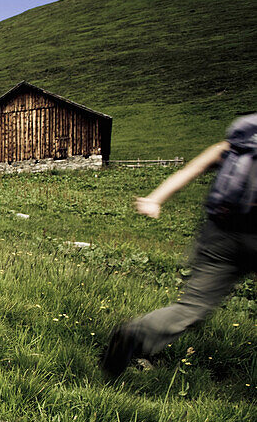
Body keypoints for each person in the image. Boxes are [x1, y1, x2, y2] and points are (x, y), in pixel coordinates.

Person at [101, 113, 257, 377]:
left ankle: (134, 334)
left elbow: (191, 170)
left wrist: (155, 199)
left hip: (218, 237)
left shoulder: (234, 146)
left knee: (192, 307)